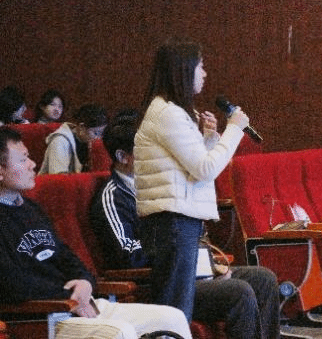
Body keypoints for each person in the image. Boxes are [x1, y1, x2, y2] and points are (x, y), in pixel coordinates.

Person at [91, 111, 280, 339]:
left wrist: (210, 267)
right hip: (158, 282)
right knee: (239, 291)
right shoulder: (113, 197)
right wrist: (179, 253)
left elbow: (193, 234)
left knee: (263, 278)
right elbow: (127, 254)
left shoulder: (159, 183)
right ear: (123, 156)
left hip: (189, 270)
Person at [134, 39, 279, 334]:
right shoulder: (167, 113)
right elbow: (205, 169)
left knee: (262, 280)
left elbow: (195, 170)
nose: (204, 73)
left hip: (181, 223)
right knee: (176, 311)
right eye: (200, 66)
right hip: (172, 225)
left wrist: (210, 139)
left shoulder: (174, 111)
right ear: (183, 70)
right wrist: (234, 129)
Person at [0, 126, 192, 339]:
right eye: (23, 160)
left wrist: (84, 282)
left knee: (172, 317)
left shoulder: (31, 208)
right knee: (120, 332)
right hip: (45, 314)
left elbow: (66, 256)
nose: (32, 164)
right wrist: (70, 296)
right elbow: (11, 284)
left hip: (75, 302)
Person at [39, 103, 108, 174]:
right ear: (81, 127)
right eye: (96, 133)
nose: (98, 138)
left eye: (101, 134)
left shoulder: (85, 141)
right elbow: (58, 177)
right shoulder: (59, 141)